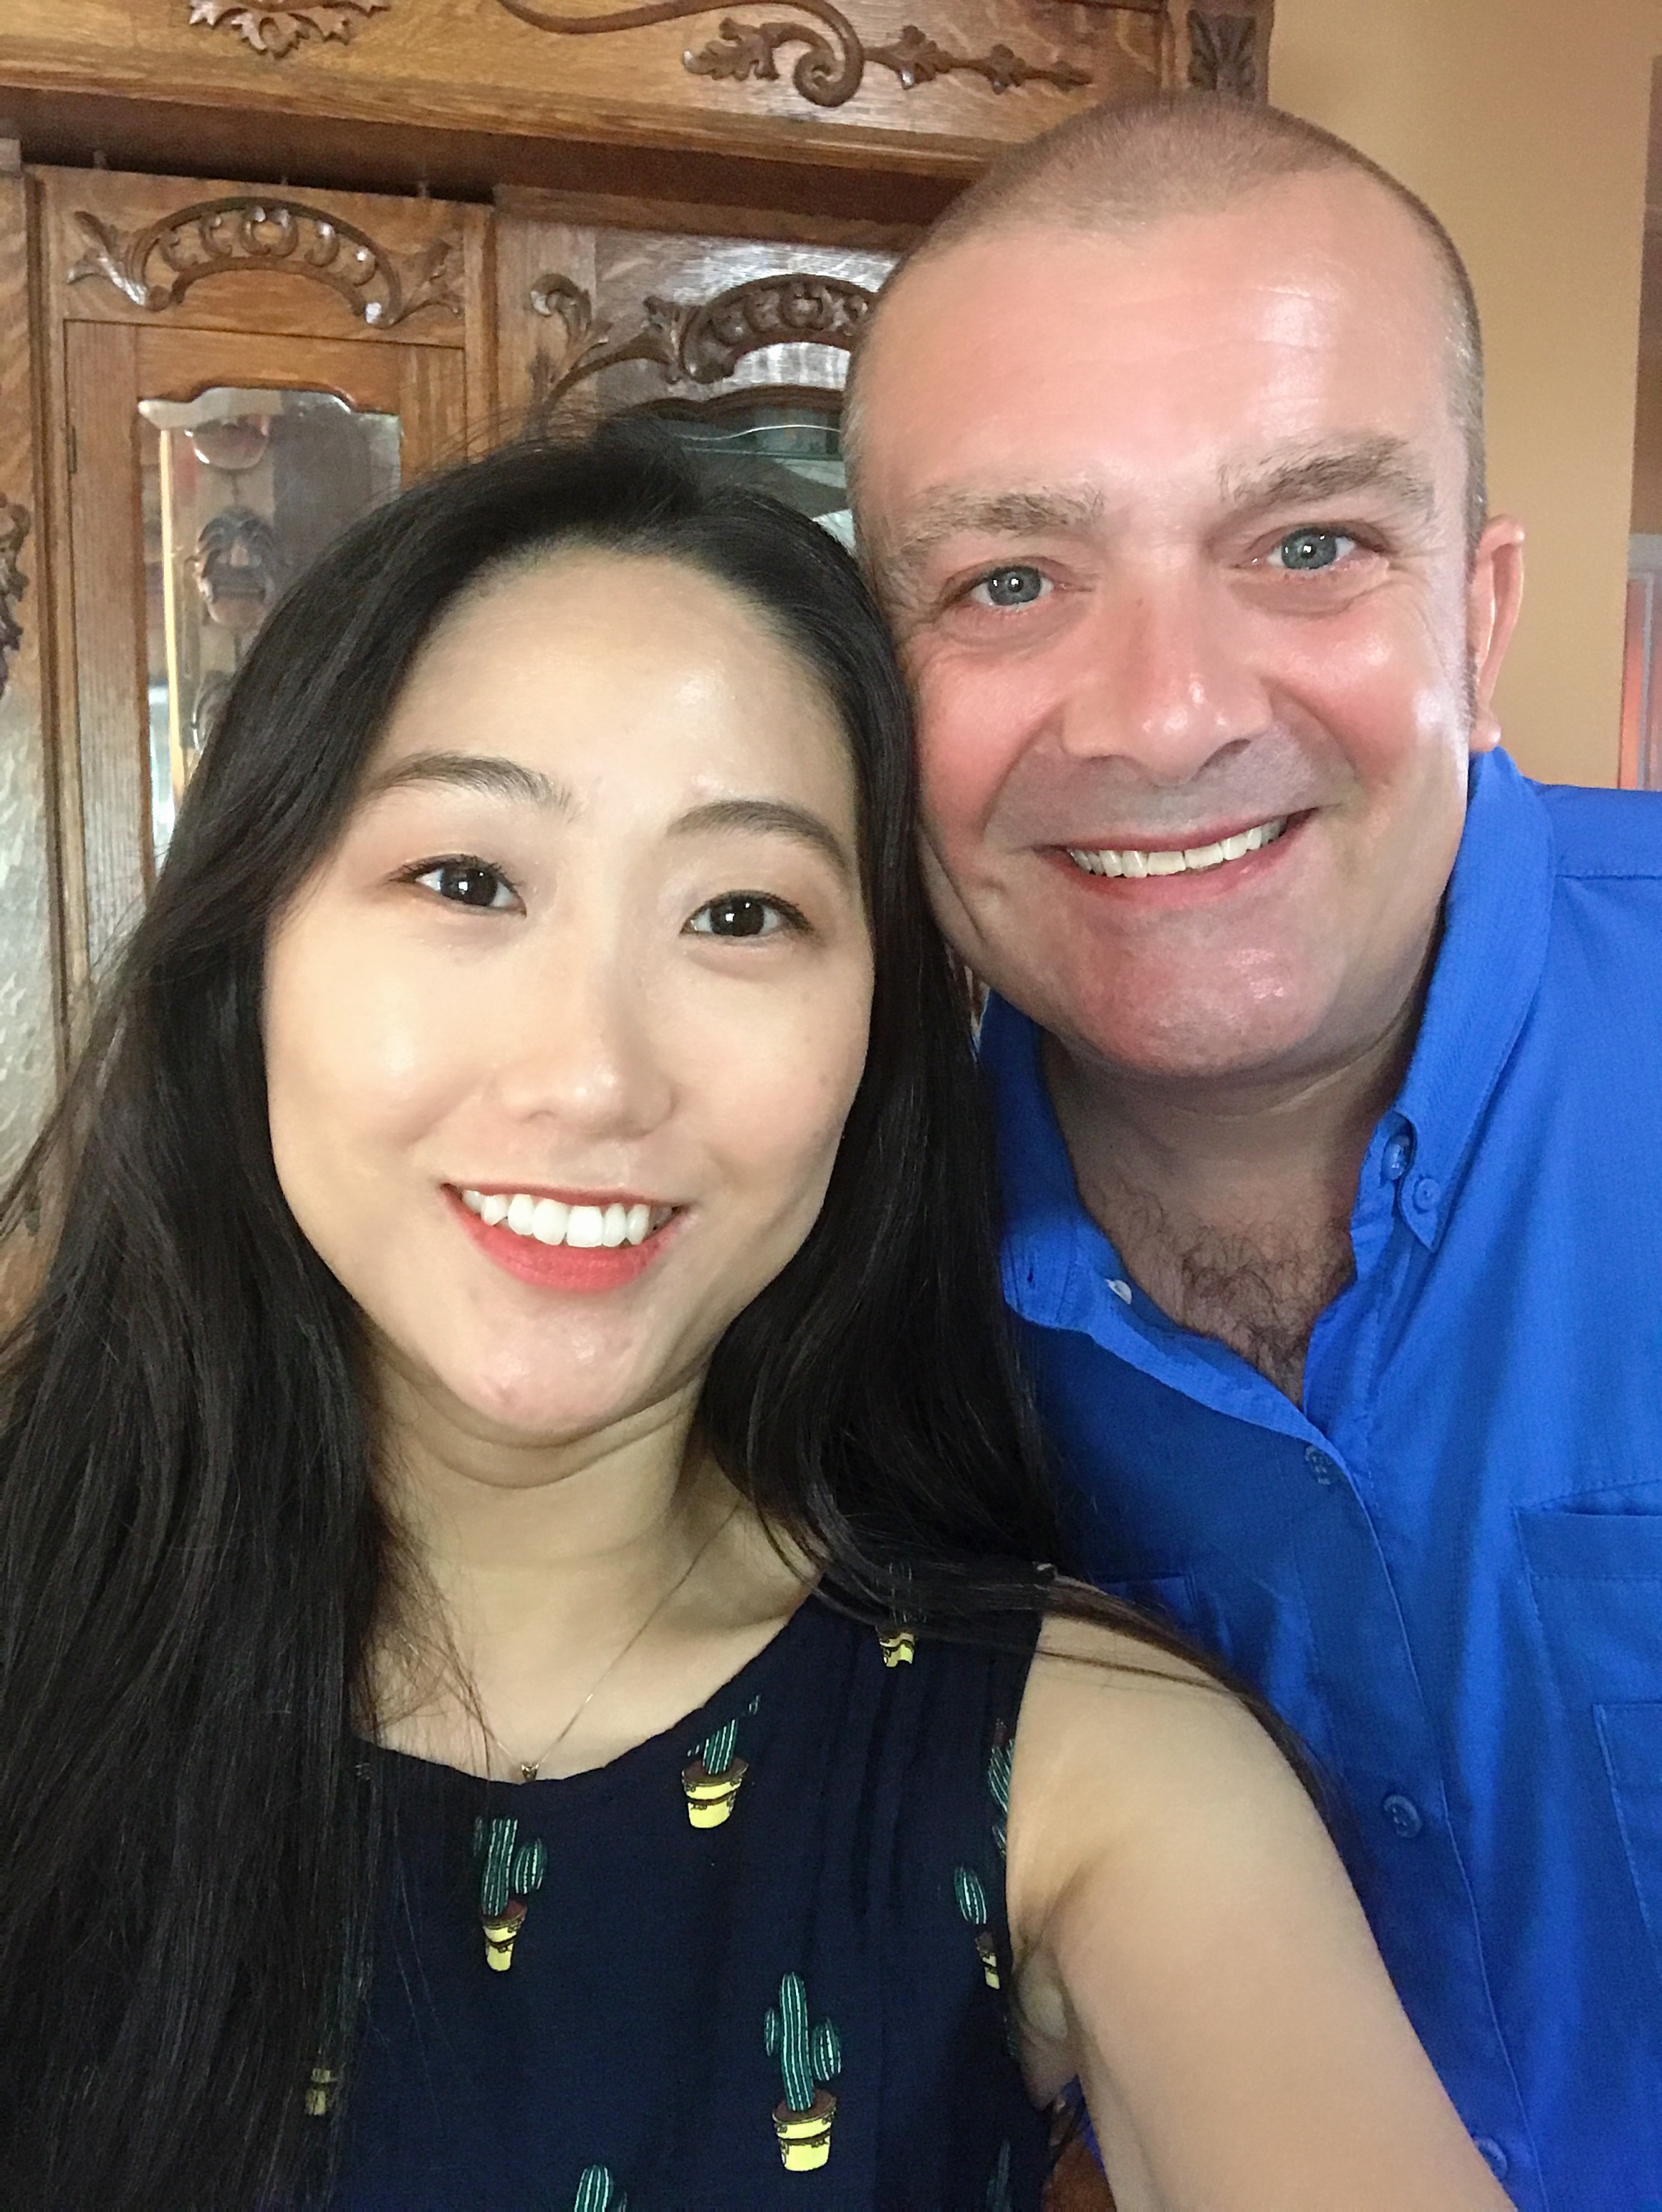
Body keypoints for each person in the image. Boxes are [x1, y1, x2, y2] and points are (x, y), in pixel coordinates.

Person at [0, 431, 1510, 2212]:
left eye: (741, 911)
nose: (591, 1075)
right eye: (467, 879)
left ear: (876, 1042)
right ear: (250, 954)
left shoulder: (1087, 1773)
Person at [847, 90, 1662, 2212]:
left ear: (1476, 621)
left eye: (1309, 544)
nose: (1162, 713)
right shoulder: (809, 1284)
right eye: (1008, 578)